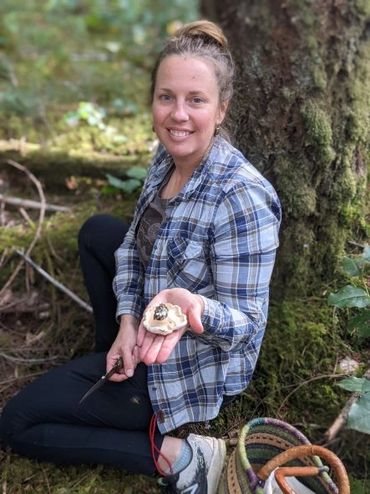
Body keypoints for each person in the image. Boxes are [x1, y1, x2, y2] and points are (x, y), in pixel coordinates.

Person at [0, 20, 281, 494]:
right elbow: (132, 245)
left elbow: (248, 326)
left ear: (221, 110)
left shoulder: (243, 199)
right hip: (149, 322)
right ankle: (114, 353)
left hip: (188, 364)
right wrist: (128, 322)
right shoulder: (168, 155)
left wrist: (195, 310)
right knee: (98, 233)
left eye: (196, 100)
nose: (178, 114)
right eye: (166, 97)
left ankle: (184, 457)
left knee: (15, 423)